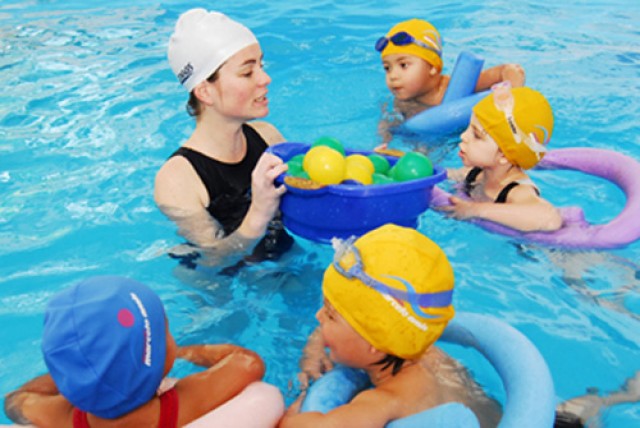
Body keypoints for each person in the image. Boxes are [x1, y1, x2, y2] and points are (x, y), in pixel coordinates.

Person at [279, 224, 502, 428]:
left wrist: (289, 417)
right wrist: (317, 345)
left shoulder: (385, 400)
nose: (318, 316)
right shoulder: (423, 350)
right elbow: (375, 320)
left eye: (329, 315)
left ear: (375, 341)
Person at [3, 276, 282, 427]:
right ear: (160, 358)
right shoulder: (185, 402)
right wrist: (188, 352)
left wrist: (75, 371)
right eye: (167, 332)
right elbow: (247, 362)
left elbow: (14, 401)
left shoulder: (61, 416)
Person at [154, 8, 293, 268]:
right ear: (205, 91)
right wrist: (261, 211)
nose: (265, 79)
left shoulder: (268, 137)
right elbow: (214, 261)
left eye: (261, 66)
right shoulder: (177, 179)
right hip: (223, 293)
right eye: (247, 72)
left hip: (282, 264)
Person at [437, 83, 563, 232]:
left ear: (504, 155)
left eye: (476, 135)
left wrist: (475, 210)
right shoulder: (474, 174)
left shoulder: (517, 191)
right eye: (468, 128)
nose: (463, 136)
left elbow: (550, 219)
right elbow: (443, 175)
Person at [377, 18, 526, 121]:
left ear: (433, 68)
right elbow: (388, 128)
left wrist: (512, 97)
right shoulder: (400, 103)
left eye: (403, 65)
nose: (393, 76)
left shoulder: (455, 86)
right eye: (387, 68)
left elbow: (510, 70)